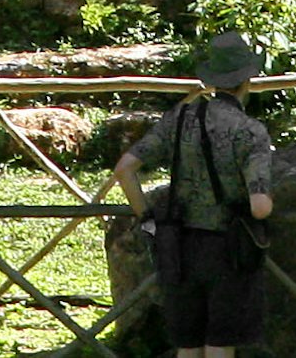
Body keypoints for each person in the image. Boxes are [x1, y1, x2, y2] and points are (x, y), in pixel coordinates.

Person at [114, 32, 279, 358]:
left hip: (179, 247)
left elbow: (124, 169)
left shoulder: (181, 118)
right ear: (247, 79)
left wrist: (147, 217)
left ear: (213, 79)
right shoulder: (250, 132)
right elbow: (259, 207)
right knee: (219, 343)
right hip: (228, 250)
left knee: (187, 345)